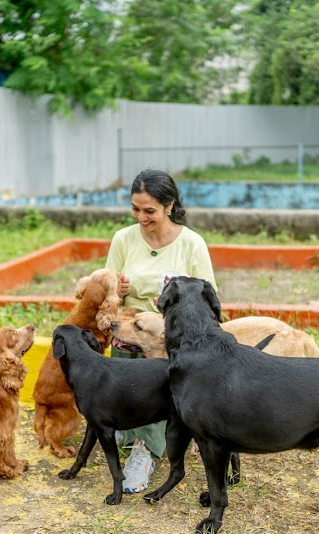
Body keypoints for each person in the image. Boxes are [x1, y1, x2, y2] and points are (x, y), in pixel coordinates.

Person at [105, 168, 216, 493]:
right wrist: (117, 292)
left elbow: (209, 300)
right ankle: (134, 427)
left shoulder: (191, 244)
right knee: (127, 353)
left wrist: (171, 310)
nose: (141, 217)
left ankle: (146, 450)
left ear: (169, 206)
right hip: (129, 329)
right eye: (135, 209)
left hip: (170, 338)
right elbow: (105, 294)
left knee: (159, 367)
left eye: (149, 211)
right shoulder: (123, 239)